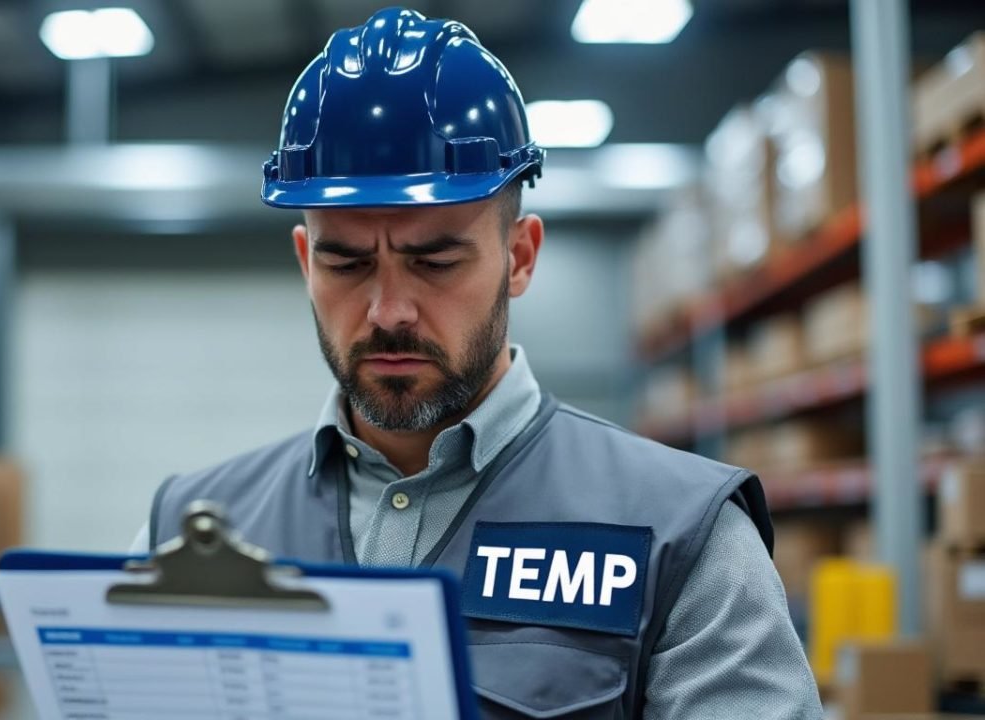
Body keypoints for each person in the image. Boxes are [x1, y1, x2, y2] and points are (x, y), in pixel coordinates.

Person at [135, 7, 821, 718]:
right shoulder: (184, 536)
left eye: (434, 261)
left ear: (519, 257)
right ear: (307, 264)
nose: (388, 310)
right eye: (346, 263)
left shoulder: (681, 536)